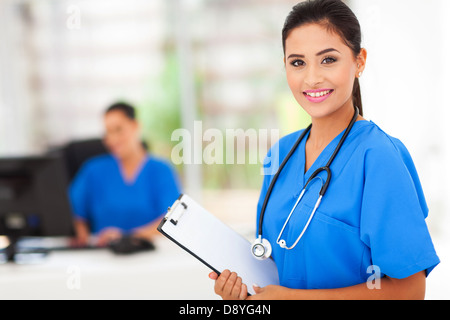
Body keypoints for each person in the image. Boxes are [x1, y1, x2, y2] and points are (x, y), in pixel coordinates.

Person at [209, 0, 440, 300]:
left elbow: (409, 290)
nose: (312, 78)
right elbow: (279, 258)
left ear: (359, 62)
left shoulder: (379, 157)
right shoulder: (281, 153)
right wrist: (244, 289)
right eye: (297, 62)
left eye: (328, 59)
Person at [69, 102, 181, 247]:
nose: (112, 139)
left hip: (150, 255)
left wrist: (127, 238)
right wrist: (84, 240)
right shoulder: (93, 170)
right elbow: (74, 212)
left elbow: (171, 221)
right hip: (103, 257)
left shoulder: (161, 170)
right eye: (107, 133)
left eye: (118, 130)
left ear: (135, 126)